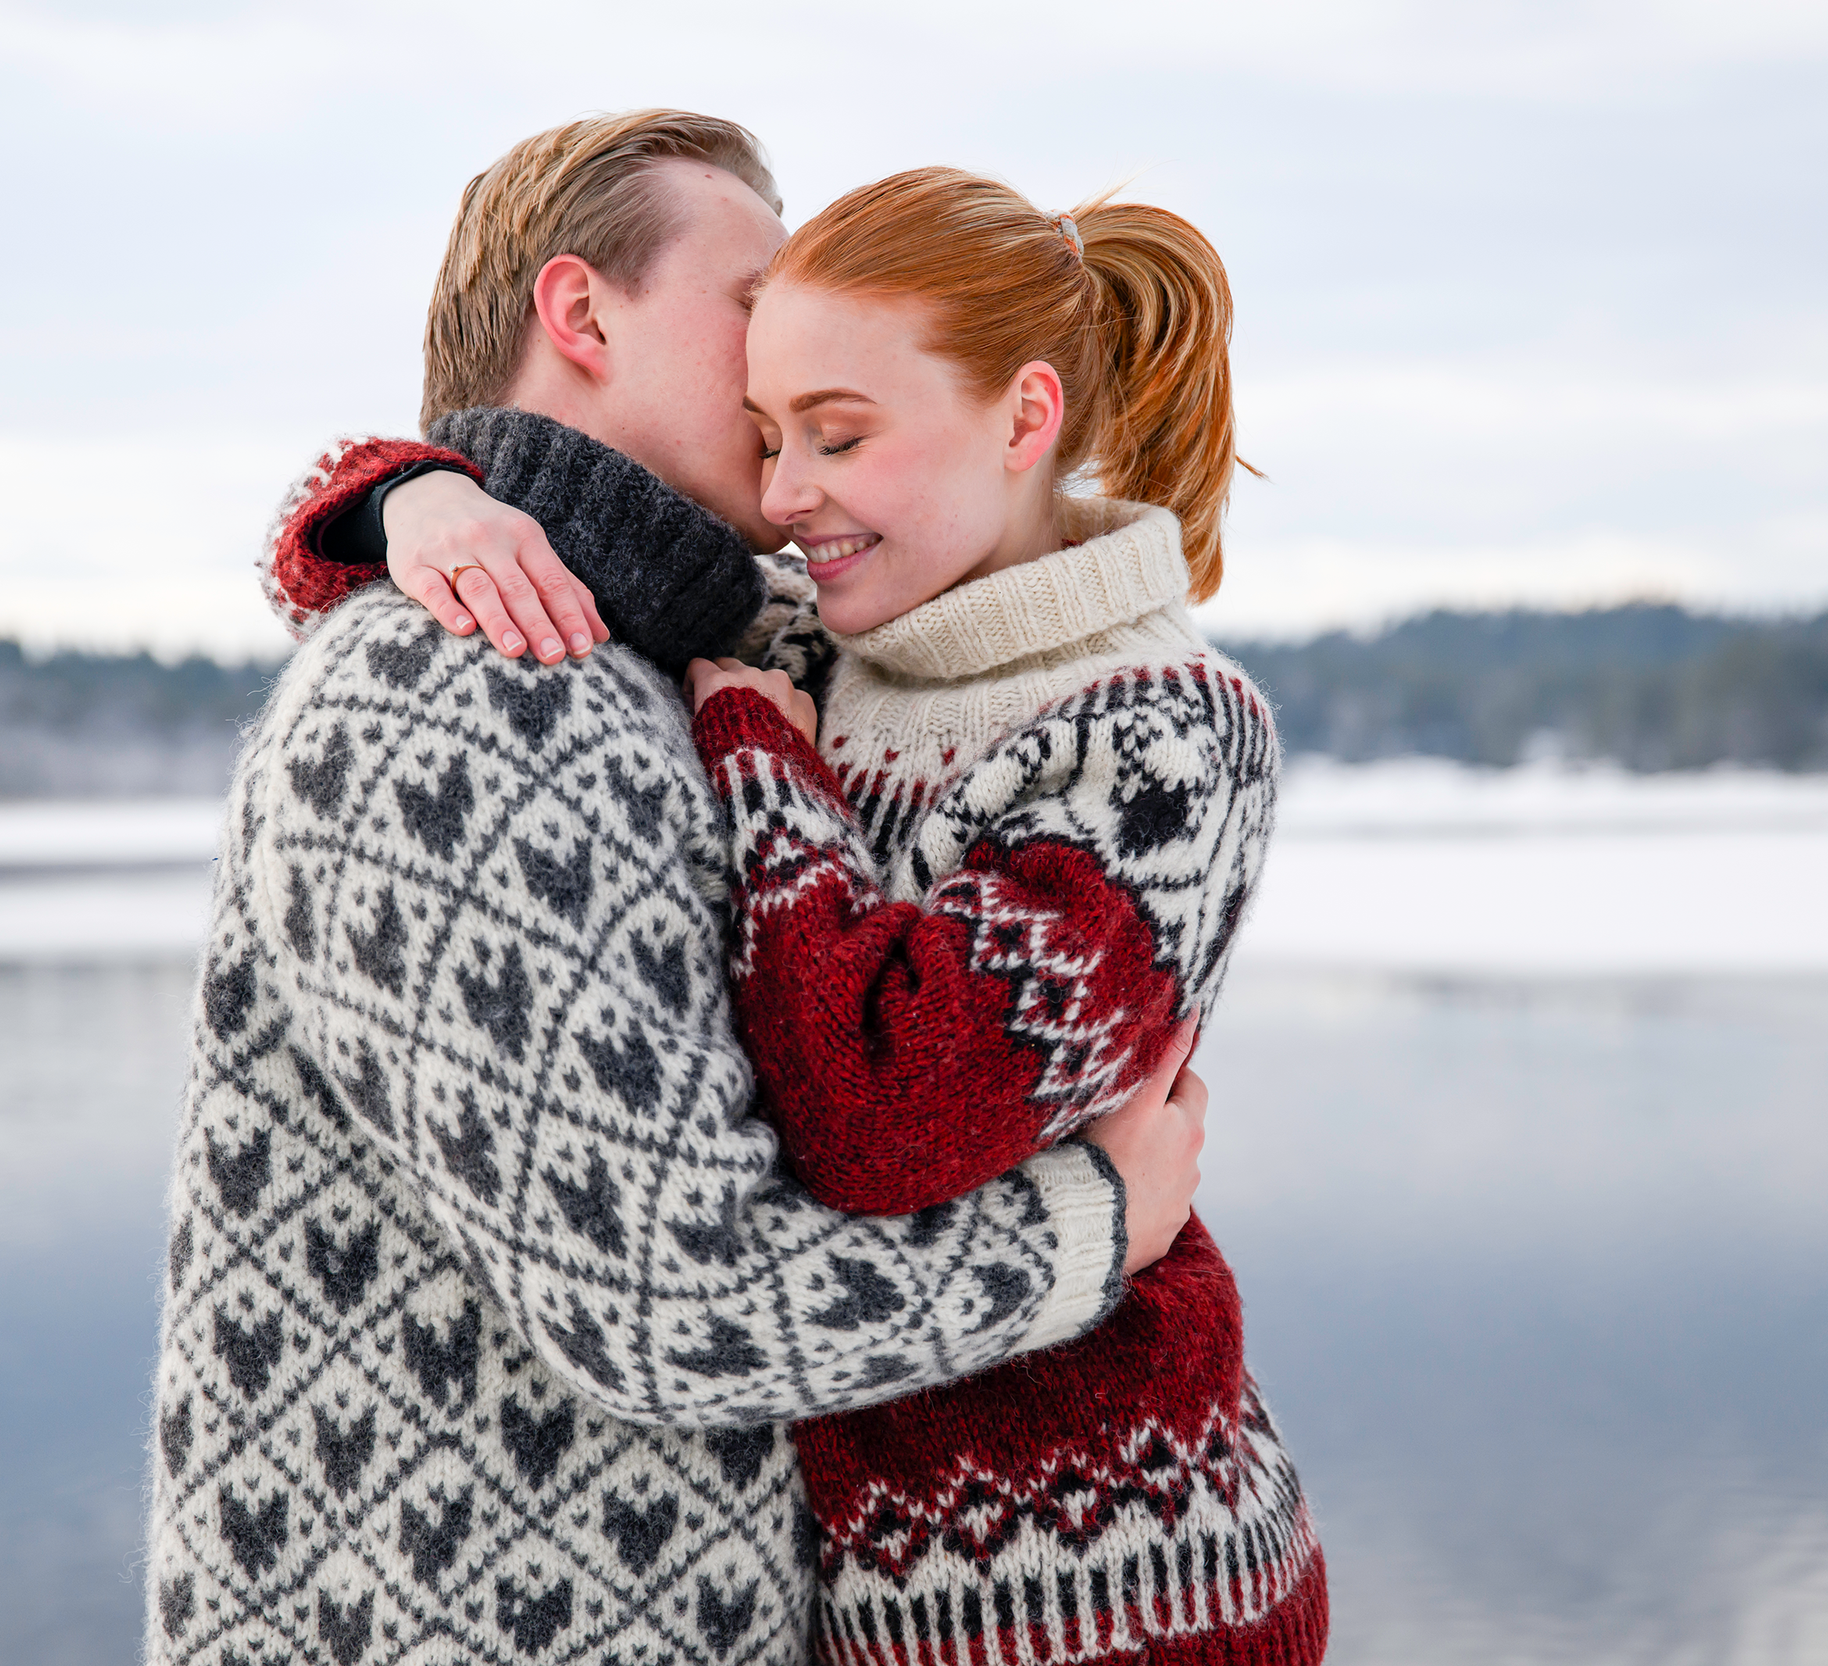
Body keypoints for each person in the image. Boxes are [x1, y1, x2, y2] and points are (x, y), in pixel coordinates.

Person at [147, 111, 1211, 1666]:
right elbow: (673, 1295)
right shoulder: (453, 694)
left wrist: (395, 489)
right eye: (753, 302)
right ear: (580, 315)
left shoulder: (692, 656)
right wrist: (1091, 1228)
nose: (794, 351)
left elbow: (995, 552)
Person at [680, 169, 1324, 1664]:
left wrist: (768, 776)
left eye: (839, 436)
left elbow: (885, 1112)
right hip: (893, 1593)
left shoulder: (1162, 735)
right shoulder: (846, 650)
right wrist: (409, 497)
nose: (783, 496)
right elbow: (565, 539)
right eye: (768, 439)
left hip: (1120, 1594)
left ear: (1026, 419)